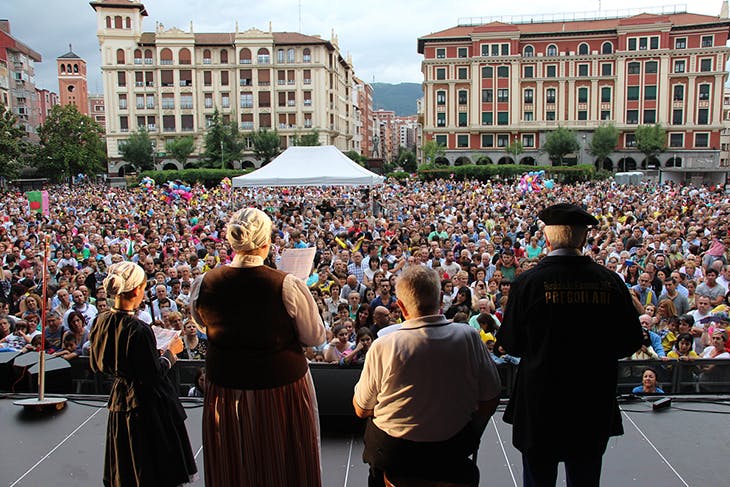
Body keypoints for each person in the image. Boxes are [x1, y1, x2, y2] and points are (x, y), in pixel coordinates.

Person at [499, 203, 643, 487]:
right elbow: (631, 341)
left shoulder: (528, 283)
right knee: (585, 477)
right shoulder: (610, 281)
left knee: (538, 479)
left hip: (541, 402)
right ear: (584, 238)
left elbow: (511, 344)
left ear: (548, 239)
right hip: (591, 400)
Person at [192, 207, 325, 487]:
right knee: (284, 462)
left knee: (234, 461)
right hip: (281, 389)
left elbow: (203, 326)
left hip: (226, 390)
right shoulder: (287, 284)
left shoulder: (204, 283)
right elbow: (314, 336)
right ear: (267, 243)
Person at [353, 265, 501, 486]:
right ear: (441, 300)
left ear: (401, 307)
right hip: (452, 449)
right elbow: (490, 398)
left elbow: (361, 408)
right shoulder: (469, 337)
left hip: (395, 452)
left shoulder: (383, 345)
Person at [88, 261, 197, 487]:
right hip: (146, 408)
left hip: (119, 400)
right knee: (151, 466)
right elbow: (153, 376)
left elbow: (99, 362)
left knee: (127, 465)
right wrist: (169, 354)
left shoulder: (100, 320)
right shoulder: (137, 328)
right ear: (138, 290)